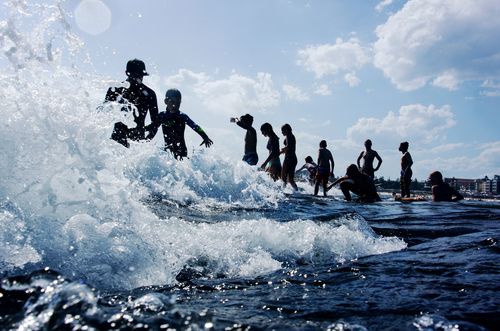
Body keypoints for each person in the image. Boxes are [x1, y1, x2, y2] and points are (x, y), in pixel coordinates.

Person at [105, 59, 159, 147]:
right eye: (136, 75)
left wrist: (146, 141)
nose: (139, 78)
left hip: (137, 144)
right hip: (117, 141)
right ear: (127, 73)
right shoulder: (115, 90)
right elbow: (103, 114)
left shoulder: (149, 94)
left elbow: (155, 123)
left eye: (141, 75)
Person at [146, 89, 213, 160]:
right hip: (168, 152)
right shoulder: (162, 116)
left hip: (181, 152)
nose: (175, 105)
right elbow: (152, 127)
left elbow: (195, 126)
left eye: (178, 102)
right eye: (172, 102)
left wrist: (205, 136)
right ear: (166, 101)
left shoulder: (182, 116)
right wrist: (142, 129)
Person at [280, 124, 298, 190]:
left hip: (289, 158)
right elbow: (290, 148)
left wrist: (281, 151)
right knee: (290, 179)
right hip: (293, 158)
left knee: (283, 177)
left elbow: (288, 147)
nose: (282, 132)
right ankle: (297, 192)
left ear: (286, 130)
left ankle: (282, 191)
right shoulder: (292, 136)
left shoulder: (288, 136)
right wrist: (282, 152)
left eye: (282, 130)